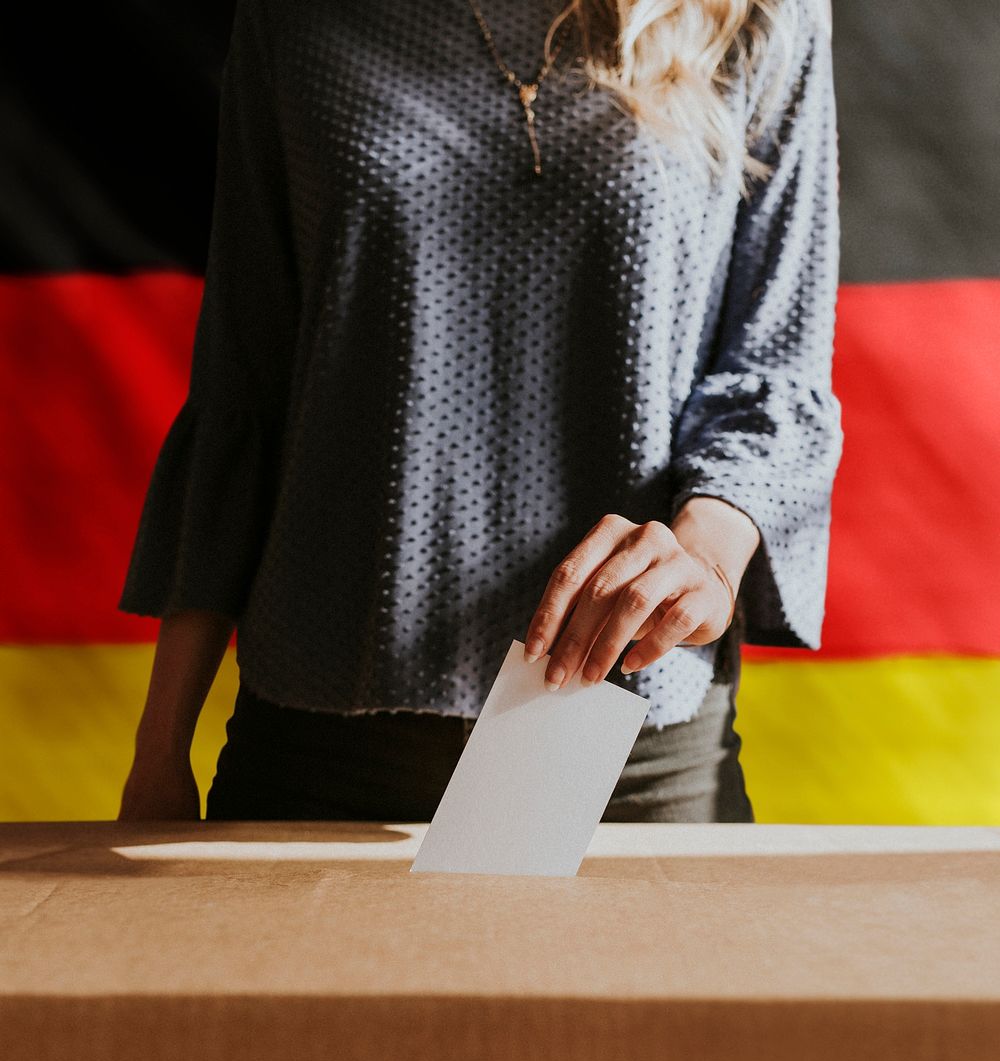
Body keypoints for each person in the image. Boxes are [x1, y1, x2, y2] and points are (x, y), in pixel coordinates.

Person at [116, 0, 842, 823]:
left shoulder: (752, 15)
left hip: (631, 746)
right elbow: (244, 384)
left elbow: (775, 372)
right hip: (321, 747)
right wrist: (159, 749)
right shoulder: (291, 20)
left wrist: (705, 557)